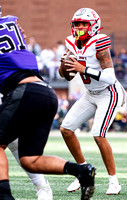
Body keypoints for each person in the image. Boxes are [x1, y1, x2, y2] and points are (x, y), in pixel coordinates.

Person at [0, 12, 96, 200]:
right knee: (30, 160)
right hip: (45, 92)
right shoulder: (11, 25)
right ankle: (81, 171)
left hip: (23, 91)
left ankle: (5, 197)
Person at [59, 8, 127, 195]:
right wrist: (64, 66)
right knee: (66, 129)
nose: (80, 27)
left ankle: (114, 181)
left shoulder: (100, 42)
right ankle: (83, 173)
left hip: (109, 92)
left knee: (98, 133)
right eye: (77, 24)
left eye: (84, 24)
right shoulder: (71, 42)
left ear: (93, 26)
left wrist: (83, 68)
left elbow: (110, 77)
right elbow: (66, 76)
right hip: (91, 93)